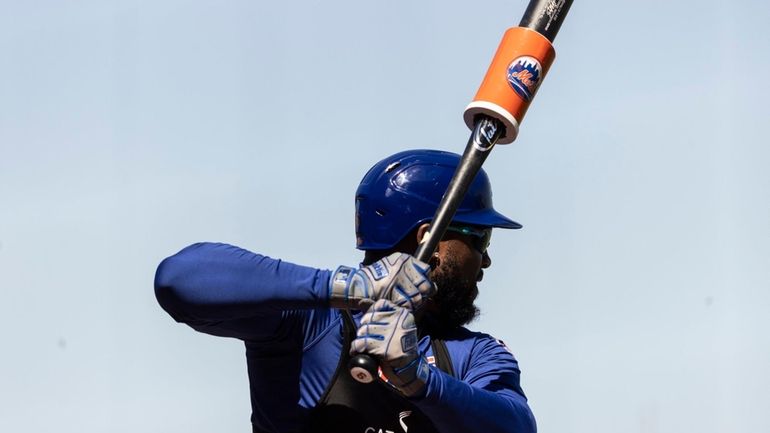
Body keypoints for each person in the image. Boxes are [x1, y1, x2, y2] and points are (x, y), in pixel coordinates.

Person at [155, 149, 536, 433]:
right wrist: (352, 286)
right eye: (480, 239)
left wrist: (417, 379)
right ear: (430, 241)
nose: (485, 261)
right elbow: (178, 280)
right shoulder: (310, 325)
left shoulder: (474, 354)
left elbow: (517, 427)